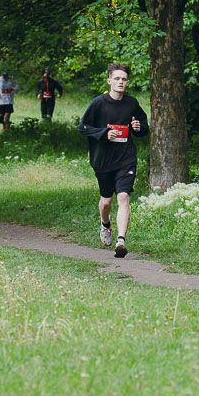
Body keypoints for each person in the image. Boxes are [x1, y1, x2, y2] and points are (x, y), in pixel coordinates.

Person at [77, 62, 149, 258]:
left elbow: (144, 128)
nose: (120, 82)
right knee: (106, 202)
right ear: (109, 80)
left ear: (128, 82)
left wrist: (137, 127)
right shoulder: (98, 104)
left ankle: (121, 240)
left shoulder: (132, 103)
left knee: (124, 196)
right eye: (116, 78)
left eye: (124, 79)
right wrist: (103, 133)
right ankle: (105, 224)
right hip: (103, 160)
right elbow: (82, 128)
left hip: (126, 158)